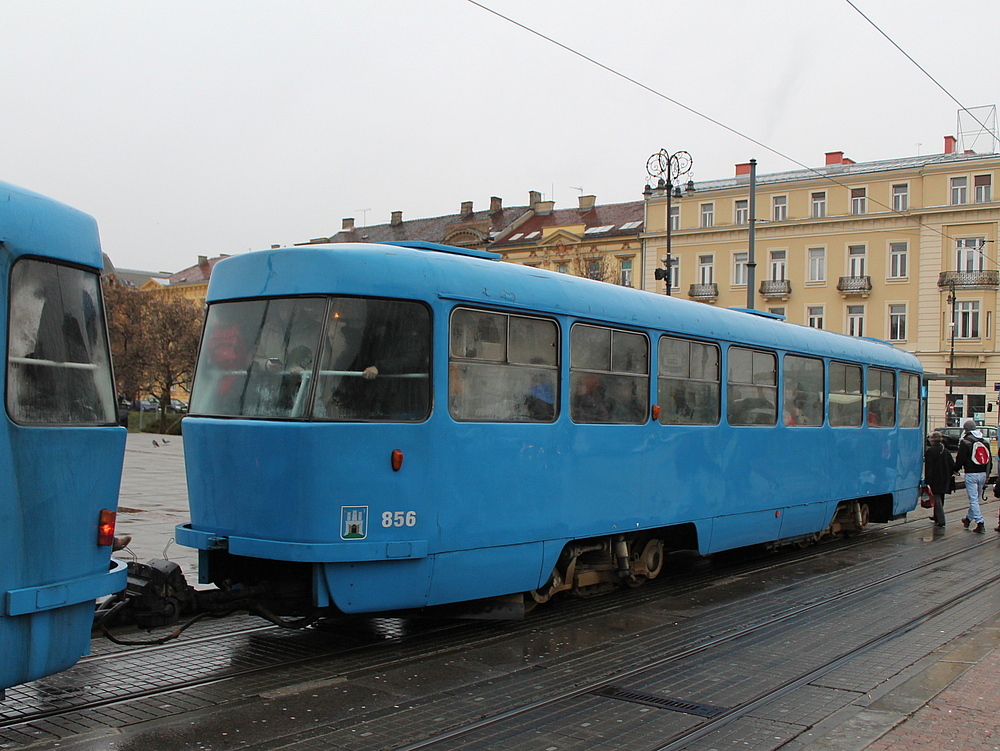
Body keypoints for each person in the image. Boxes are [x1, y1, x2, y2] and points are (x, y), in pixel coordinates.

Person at [955, 418, 992, 533]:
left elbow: (960, 459)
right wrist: (988, 474)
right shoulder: (984, 441)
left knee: (973, 500)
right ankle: (968, 519)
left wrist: (955, 469)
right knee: (976, 499)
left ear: (966, 430)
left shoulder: (965, 442)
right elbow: (989, 459)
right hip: (982, 474)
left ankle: (980, 523)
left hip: (971, 474)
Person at [923, 431, 955, 527]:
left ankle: (941, 520)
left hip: (935, 478)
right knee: (941, 497)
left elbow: (929, 467)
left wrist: (927, 480)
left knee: (936, 498)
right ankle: (936, 516)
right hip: (945, 478)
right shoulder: (945, 450)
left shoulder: (930, 451)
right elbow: (952, 465)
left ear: (932, 440)